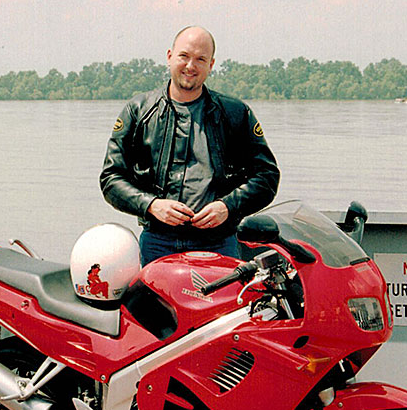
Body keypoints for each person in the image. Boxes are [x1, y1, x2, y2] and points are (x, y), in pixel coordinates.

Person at [100, 26, 280, 265]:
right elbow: (111, 179)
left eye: (200, 59)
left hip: (219, 241)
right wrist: (151, 205)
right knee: (155, 303)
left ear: (211, 65)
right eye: (184, 56)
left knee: (227, 303)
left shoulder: (235, 114)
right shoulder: (139, 111)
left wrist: (227, 206)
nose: (190, 66)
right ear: (169, 56)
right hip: (157, 241)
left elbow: (267, 177)